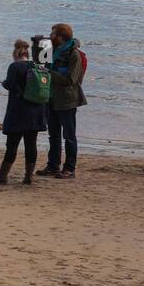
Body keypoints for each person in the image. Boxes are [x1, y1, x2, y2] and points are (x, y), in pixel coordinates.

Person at [0, 38, 48, 185]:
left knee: (12, 145)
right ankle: (28, 177)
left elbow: (10, 85)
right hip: (36, 109)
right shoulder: (37, 66)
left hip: (18, 111)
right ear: (28, 53)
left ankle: (2, 176)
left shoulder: (14, 67)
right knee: (31, 144)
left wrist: (4, 83)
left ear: (15, 53)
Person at [38, 23, 86, 179]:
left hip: (67, 100)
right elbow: (40, 67)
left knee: (69, 136)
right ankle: (53, 166)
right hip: (51, 98)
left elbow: (71, 79)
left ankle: (69, 168)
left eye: (53, 34)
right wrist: (39, 48)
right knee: (54, 135)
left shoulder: (74, 54)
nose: (50, 36)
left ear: (61, 37)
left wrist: (49, 73)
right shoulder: (50, 50)